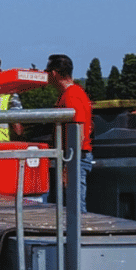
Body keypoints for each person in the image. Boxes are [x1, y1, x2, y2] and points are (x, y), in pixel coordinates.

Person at [45, 53, 93, 212]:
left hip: (76, 157)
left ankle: (80, 235)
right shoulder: (72, 93)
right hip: (74, 156)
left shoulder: (71, 95)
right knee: (74, 203)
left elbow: (77, 130)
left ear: (54, 73)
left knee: (76, 206)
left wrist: (68, 165)